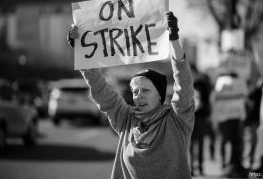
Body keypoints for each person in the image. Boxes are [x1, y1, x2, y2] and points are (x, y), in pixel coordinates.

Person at [67, 11, 195, 179]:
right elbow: (100, 88)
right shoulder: (126, 119)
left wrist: (174, 40)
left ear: (160, 96)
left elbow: (183, 83)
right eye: (135, 91)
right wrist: (81, 51)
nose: (138, 96)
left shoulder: (177, 120)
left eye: (146, 90)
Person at [190, 66, 213, 176]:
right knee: (189, 144)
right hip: (189, 118)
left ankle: (200, 167)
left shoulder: (203, 84)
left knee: (200, 143)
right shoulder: (184, 84)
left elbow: (208, 101)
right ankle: (190, 167)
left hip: (201, 117)